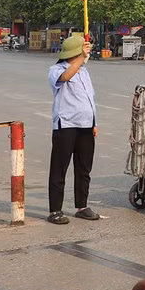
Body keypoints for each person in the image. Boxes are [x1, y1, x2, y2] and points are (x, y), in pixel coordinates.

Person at [47, 34, 100, 224]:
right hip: (66, 125)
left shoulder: (84, 72)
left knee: (84, 168)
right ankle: (55, 210)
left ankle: (82, 206)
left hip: (86, 125)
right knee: (59, 168)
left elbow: (89, 99)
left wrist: (94, 122)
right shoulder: (56, 69)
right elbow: (66, 76)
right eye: (83, 51)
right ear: (76, 53)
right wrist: (80, 58)